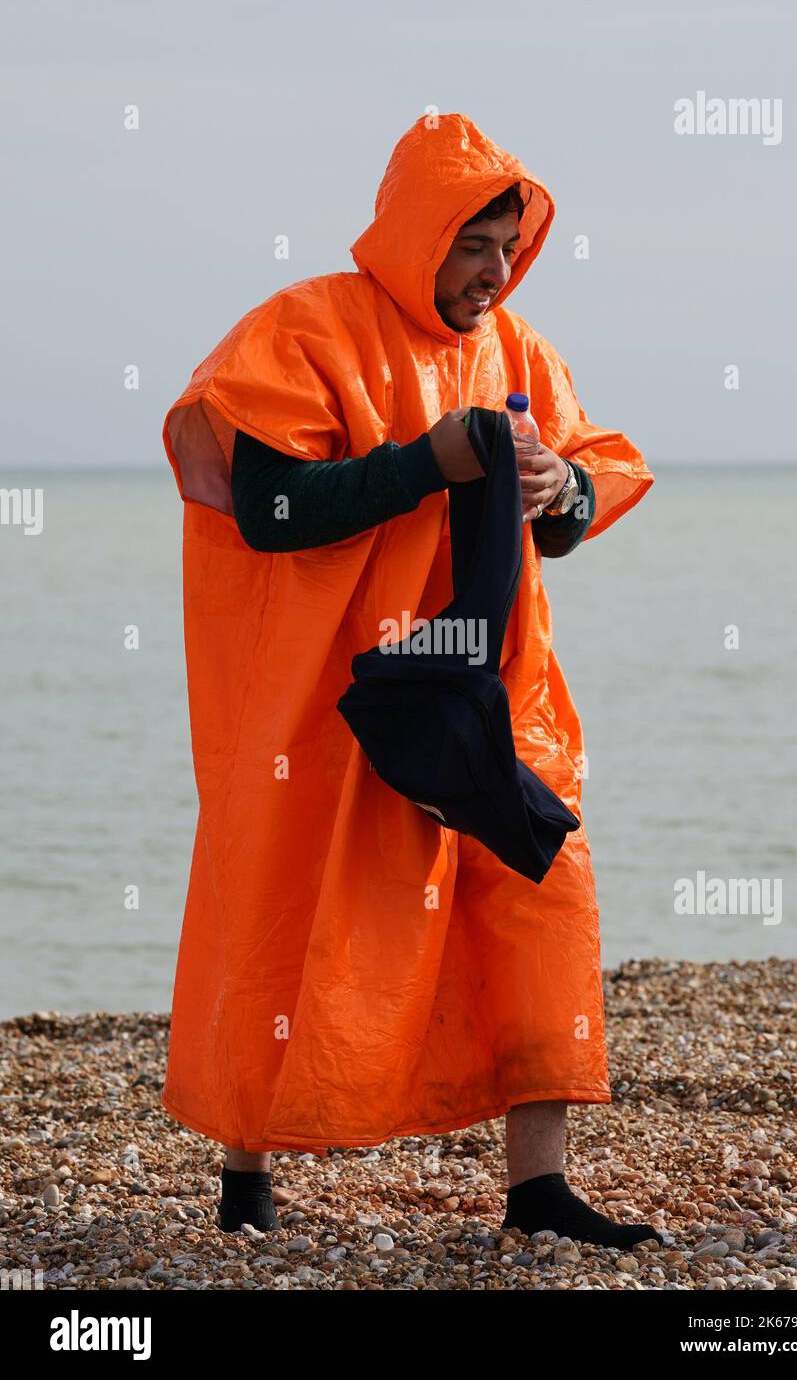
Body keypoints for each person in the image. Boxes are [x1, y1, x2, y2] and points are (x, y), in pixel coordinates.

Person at [161, 112, 659, 1247]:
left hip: (492, 680)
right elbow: (271, 508)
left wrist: (556, 494)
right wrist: (421, 464)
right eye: (474, 242)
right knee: (287, 908)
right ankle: (247, 1173)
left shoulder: (519, 351)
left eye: (508, 245)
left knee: (540, 888)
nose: (494, 269)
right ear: (416, 232)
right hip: (325, 695)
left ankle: (538, 1188)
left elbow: (583, 494)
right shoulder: (303, 329)